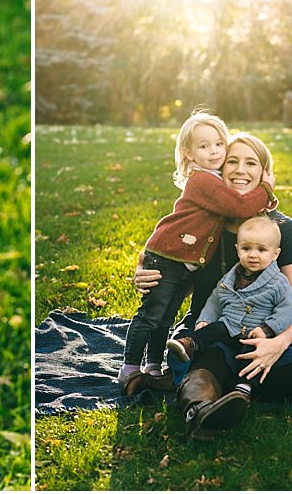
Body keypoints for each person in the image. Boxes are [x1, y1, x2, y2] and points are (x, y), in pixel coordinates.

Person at [135, 132, 292, 438]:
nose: (241, 170)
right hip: (211, 328)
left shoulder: (282, 228)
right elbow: (168, 258)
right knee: (198, 360)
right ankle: (202, 410)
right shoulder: (202, 225)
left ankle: (235, 389)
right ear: (220, 169)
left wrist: (277, 344)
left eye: (251, 163)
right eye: (233, 161)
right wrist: (145, 271)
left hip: (266, 329)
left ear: (263, 172)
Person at [118, 112, 276, 395]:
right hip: (167, 258)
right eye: (204, 146)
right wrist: (266, 187)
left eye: (219, 144)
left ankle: (153, 364)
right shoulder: (204, 181)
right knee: (152, 315)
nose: (214, 151)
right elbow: (239, 206)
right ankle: (130, 366)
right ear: (189, 154)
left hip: (181, 262)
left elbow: (240, 208)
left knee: (165, 317)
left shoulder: (220, 186)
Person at [165, 215, 292, 438]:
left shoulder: (278, 282)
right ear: (238, 250)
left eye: (261, 250)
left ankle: (242, 390)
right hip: (229, 325)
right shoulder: (230, 277)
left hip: (255, 332)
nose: (253, 254)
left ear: (276, 254)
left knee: (252, 357)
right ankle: (190, 345)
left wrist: (267, 329)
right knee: (212, 331)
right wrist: (204, 320)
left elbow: (288, 309)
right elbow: (215, 300)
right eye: (246, 248)